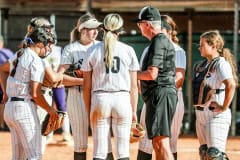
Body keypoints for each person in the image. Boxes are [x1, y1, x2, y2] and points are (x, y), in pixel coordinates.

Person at [82, 13, 139, 160]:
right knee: (123, 152)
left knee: (100, 152)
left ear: (103, 29)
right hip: (122, 99)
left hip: (100, 99)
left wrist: (89, 110)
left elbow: (86, 86)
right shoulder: (128, 50)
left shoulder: (91, 51)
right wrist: (134, 111)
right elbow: (134, 86)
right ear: (120, 31)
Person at [0, 27, 58, 160]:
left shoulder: (19, 54)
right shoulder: (35, 60)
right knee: (35, 156)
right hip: (24, 109)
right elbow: (36, 94)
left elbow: (2, 70)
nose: (49, 49)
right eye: (47, 45)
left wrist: (6, 93)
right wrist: (50, 110)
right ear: (39, 44)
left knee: (18, 157)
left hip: (10, 109)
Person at [137, 15, 186, 160]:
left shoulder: (177, 50)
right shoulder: (148, 49)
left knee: (168, 143)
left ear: (167, 31)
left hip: (168, 97)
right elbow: (142, 75)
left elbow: (179, 78)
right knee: (147, 142)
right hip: (152, 97)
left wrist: (159, 89)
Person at [57, 13, 105, 160]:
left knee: (103, 143)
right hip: (77, 97)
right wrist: (84, 82)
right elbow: (60, 78)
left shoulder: (102, 47)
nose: (96, 31)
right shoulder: (71, 49)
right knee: (80, 143)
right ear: (82, 30)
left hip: (99, 97)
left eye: (97, 28)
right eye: (92, 28)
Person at [192, 30, 237, 160]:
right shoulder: (202, 65)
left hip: (216, 115)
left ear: (213, 46)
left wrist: (223, 107)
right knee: (204, 153)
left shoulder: (221, 64)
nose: (199, 47)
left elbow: (231, 85)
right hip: (200, 115)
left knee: (214, 155)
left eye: (202, 45)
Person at [0, 35, 14, 129]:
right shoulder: (8, 52)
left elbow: (13, 67)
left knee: (4, 102)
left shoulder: (7, 53)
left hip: (4, 81)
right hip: (4, 80)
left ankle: (2, 125)